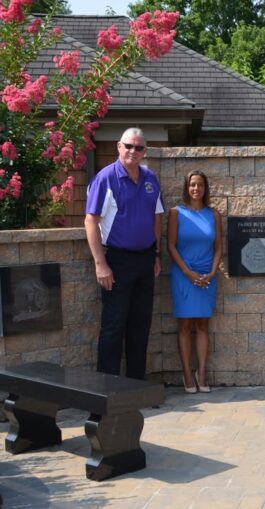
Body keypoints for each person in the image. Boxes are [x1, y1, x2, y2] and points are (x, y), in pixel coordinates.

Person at [84, 127, 163, 380]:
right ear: (119, 147)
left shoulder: (150, 178)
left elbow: (157, 217)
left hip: (145, 260)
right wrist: (100, 264)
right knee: (113, 327)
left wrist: (157, 254)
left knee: (140, 326)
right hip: (116, 261)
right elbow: (90, 221)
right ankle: (107, 389)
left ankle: (136, 387)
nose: (133, 151)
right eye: (128, 146)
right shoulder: (105, 178)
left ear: (144, 151)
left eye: (138, 147)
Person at [167, 171, 222, 393]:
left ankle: (202, 372)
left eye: (200, 185)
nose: (196, 189)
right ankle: (187, 375)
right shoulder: (176, 213)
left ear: (205, 188)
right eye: (192, 185)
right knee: (185, 324)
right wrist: (188, 273)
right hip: (183, 274)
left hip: (208, 275)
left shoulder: (214, 214)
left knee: (202, 324)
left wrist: (212, 272)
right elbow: (170, 246)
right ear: (186, 188)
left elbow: (219, 247)